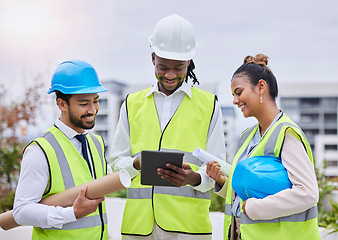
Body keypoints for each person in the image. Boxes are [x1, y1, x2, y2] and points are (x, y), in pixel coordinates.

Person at [111, 14, 226, 240]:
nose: (170, 75)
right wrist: (135, 164)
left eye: (178, 67)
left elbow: (216, 168)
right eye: (163, 67)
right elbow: (115, 162)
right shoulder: (131, 104)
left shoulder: (209, 106)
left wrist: (193, 178)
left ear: (189, 63)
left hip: (188, 230)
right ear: (153, 58)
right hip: (138, 228)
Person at [206, 54, 320, 240]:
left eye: (238, 92)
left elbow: (308, 193)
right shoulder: (247, 137)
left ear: (260, 87)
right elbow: (252, 190)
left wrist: (254, 208)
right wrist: (222, 182)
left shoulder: (286, 134)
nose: (235, 100)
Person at [13, 60, 110, 240]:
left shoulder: (96, 143)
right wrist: (72, 213)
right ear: (62, 104)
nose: (93, 110)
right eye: (83, 103)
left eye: (96, 101)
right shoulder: (40, 150)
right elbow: (21, 211)